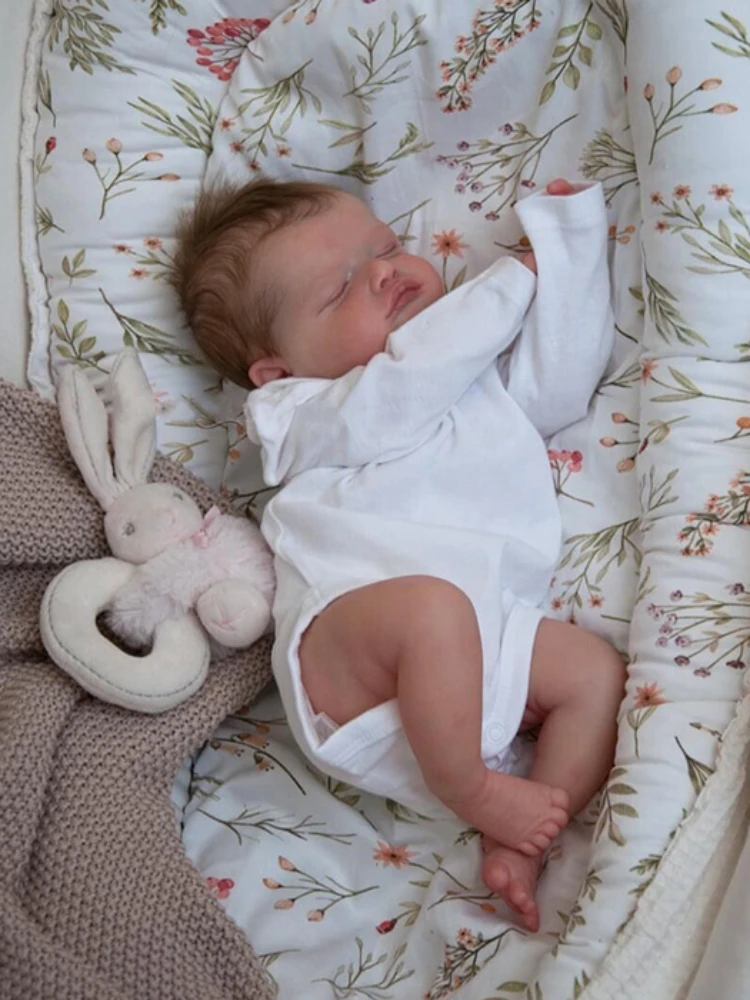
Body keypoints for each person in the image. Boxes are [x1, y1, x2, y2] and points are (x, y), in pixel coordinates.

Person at [173, 176, 626, 931]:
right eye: (341, 286)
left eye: (385, 247)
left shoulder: (468, 379)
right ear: (278, 369)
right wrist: (509, 284)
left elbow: (561, 386)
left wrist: (567, 244)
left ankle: (520, 840)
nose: (386, 272)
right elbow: (406, 387)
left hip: (481, 650)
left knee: (595, 673)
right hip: (354, 657)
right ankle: (474, 790)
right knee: (431, 609)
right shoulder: (300, 415)